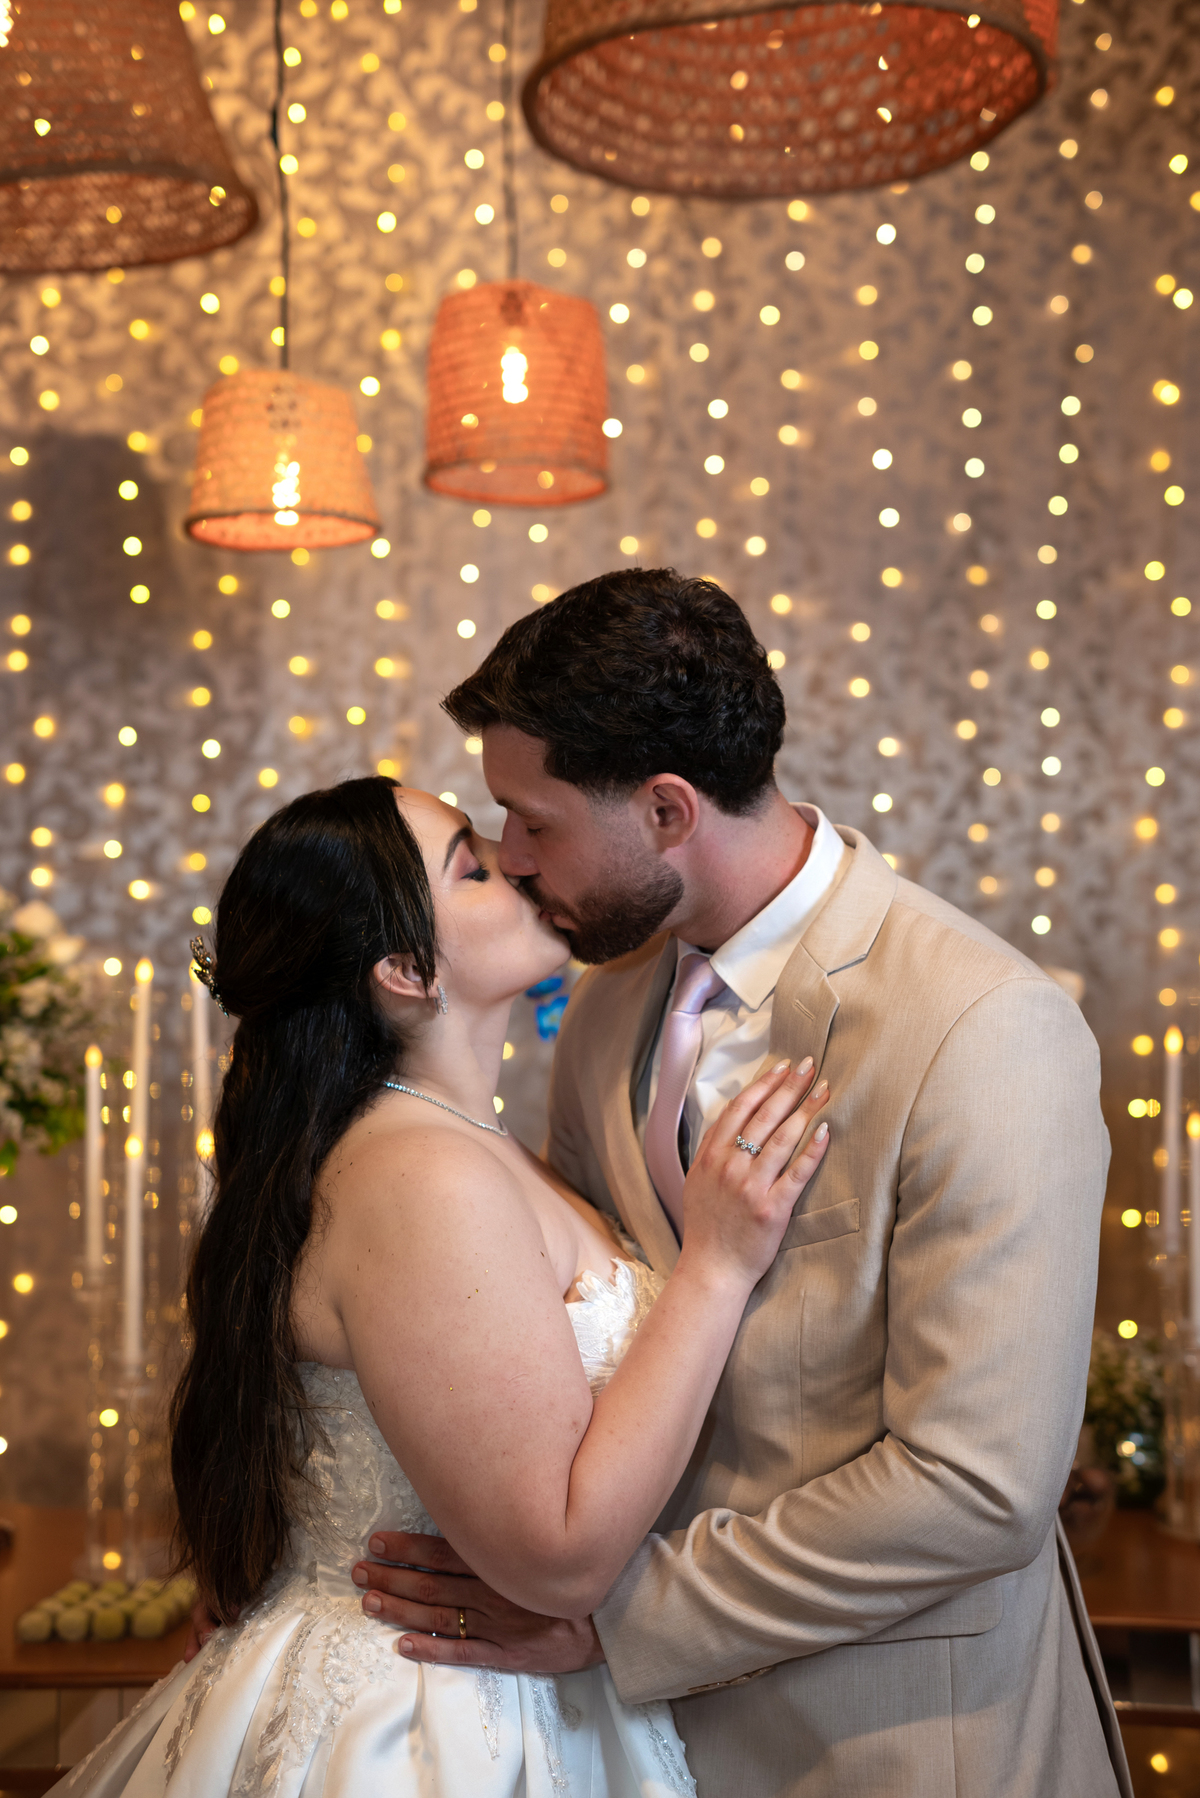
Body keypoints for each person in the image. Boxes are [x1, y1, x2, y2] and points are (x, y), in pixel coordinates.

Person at [357, 569, 1133, 1798]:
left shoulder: (984, 1024)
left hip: (899, 1744)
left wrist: (622, 1620)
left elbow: (979, 1487)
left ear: (667, 810)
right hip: (637, 1744)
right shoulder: (606, 1005)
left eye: (534, 820)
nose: (512, 858)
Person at [51, 774, 831, 1798]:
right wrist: (718, 1269)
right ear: (406, 969)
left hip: (528, 1692)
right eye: (474, 866)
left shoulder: (471, 1144)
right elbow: (559, 1558)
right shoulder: (423, 1176)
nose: (519, 860)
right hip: (425, 1725)